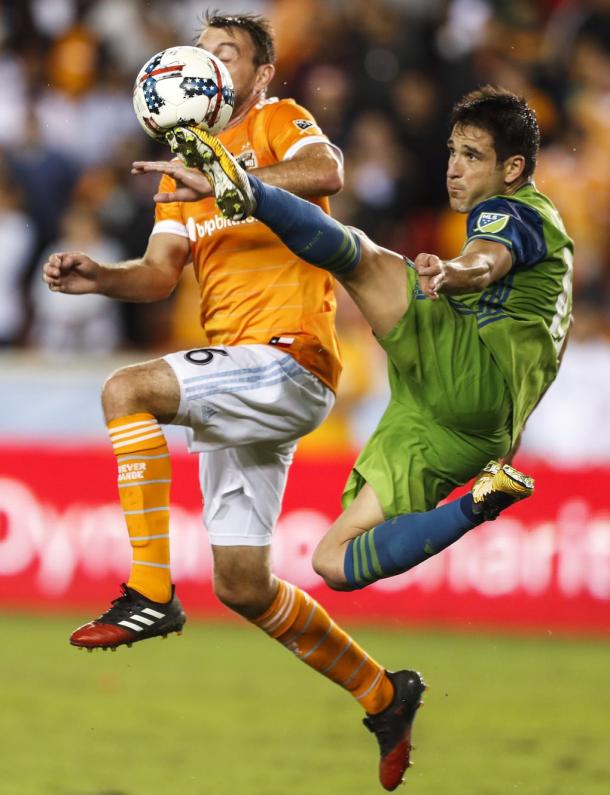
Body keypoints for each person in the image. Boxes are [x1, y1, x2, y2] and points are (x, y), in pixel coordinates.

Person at [43, 12, 426, 793]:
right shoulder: (185, 168)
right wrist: (100, 277)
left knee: (128, 389)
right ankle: (385, 693)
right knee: (244, 583)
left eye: (230, 54)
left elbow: (327, 175)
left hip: (289, 357)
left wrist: (223, 178)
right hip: (242, 373)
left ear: (257, 77)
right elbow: (157, 274)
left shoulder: (276, 123)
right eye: (203, 50)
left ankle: (149, 591)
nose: (211, 62)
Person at [143, 84, 572, 597]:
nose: (454, 168)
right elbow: (545, 354)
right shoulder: (554, 244)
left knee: (361, 259)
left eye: (473, 156)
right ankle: (479, 503)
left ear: (513, 169)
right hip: (470, 429)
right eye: (453, 153)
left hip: (469, 376)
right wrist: (509, 439)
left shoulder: (515, 211)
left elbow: (485, 259)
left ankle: (247, 192)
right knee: (335, 562)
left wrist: (454, 272)